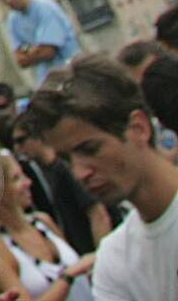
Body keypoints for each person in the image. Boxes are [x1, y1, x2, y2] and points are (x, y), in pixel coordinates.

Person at [28, 55, 178, 301]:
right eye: (66, 159)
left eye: (90, 149)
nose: (80, 172)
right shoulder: (114, 259)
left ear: (139, 128)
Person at [0, 148, 92, 301]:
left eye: (23, 175)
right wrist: (68, 276)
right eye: (16, 178)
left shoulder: (42, 221)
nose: (28, 182)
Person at [13, 109, 109, 255]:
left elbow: (98, 213)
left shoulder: (65, 168)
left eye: (21, 141)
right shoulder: (43, 173)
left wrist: (101, 255)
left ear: (38, 137)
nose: (18, 148)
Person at [0, 0, 80, 77]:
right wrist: (38, 49)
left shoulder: (44, 7)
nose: (8, 1)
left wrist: (29, 52)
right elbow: (20, 61)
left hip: (71, 71)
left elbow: (48, 52)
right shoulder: (13, 20)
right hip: (47, 78)